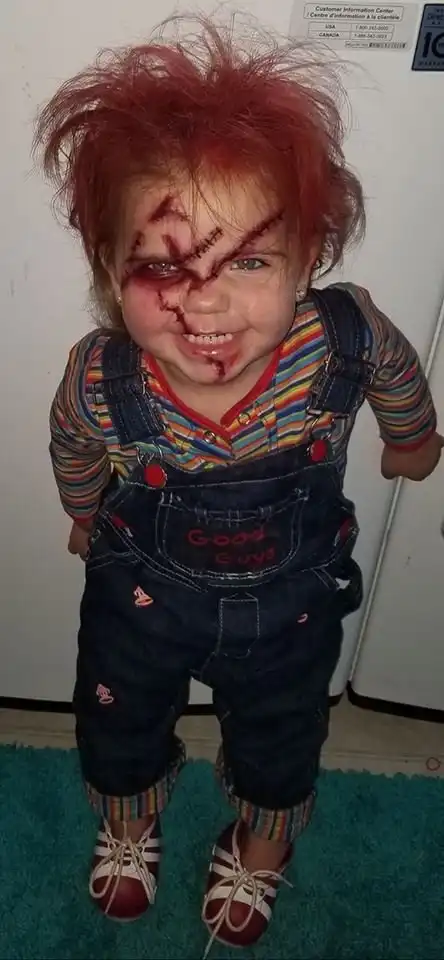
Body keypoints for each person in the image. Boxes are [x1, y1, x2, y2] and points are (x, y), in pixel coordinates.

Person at [34, 15, 441, 953]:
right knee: (117, 715)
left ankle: (262, 838)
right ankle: (131, 817)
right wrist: (84, 512)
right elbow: (73, 444)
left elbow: (396, 372)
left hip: (292, 608)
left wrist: (412, 439)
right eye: (162, 265)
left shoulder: (342, 337)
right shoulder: (102, 377)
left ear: (309, 259)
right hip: (141, 600)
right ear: (110, 269)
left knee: (283, 733)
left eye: (250, 260)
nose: (206, 301)